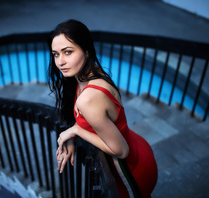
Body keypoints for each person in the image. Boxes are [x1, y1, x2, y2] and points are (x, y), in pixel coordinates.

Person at [48, 19, 158, 198]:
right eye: (55, 54)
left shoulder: (89, 98)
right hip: (138, 148)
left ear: (86, 50)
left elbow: (121, 150)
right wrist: (74, 133)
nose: (60, 62)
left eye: (68, 52)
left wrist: (76, 130)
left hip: (129, 172)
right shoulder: (90, 74)